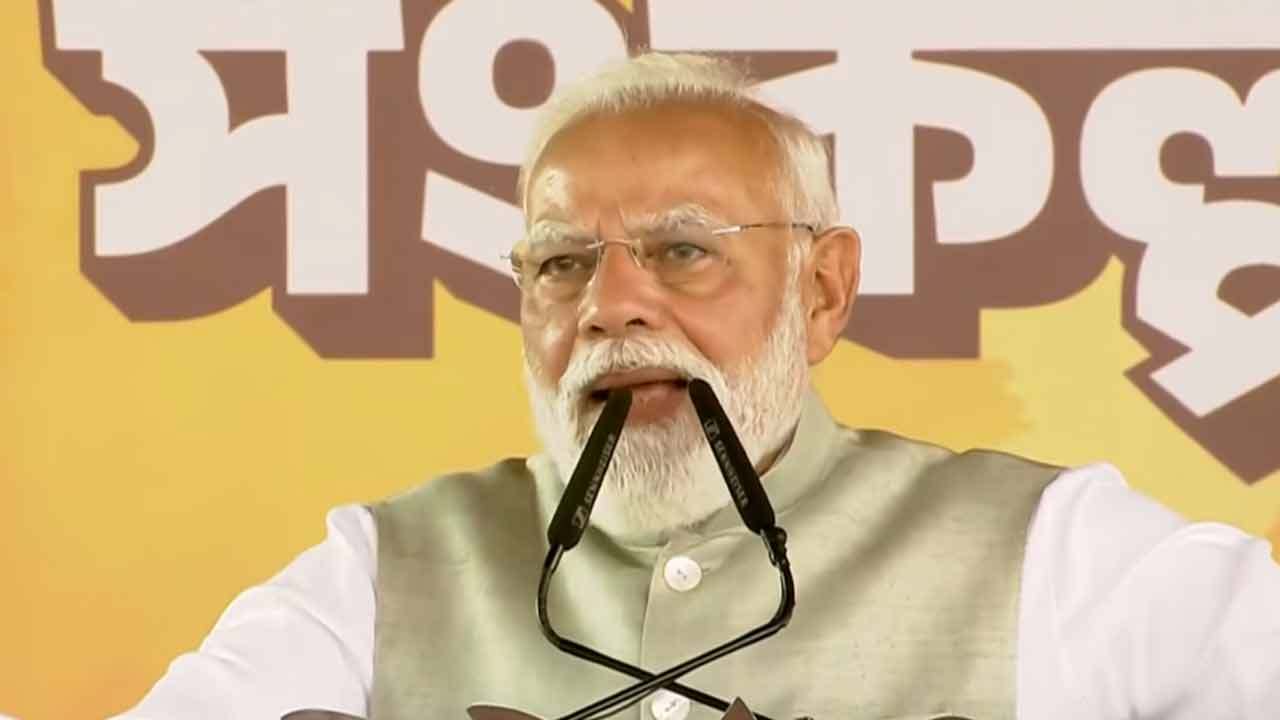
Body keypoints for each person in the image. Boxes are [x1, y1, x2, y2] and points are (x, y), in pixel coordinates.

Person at [114, 52, 1280, 720]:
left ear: (820, 291)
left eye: (682, 250)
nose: (607, 306)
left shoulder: (1057, 555)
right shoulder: (383, 572)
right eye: (561, 262)